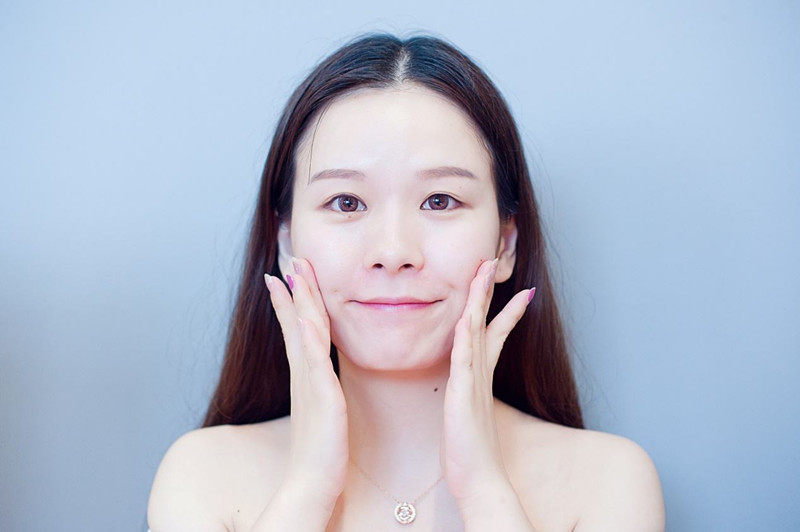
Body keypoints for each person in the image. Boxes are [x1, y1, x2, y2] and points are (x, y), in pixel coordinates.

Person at [146, 32, 665, 531]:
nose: (393, 254)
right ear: (285, 243)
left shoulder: (607, 482)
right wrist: (308, 487)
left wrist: (484, 490)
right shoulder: (203, 476)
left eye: (440, 201)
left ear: (506, 243)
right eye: (346, 202)